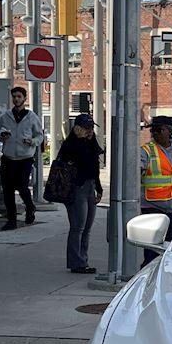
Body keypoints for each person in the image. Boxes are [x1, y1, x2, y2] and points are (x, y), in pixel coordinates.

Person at [140, 115, 172, 264]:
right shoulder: (147, 151)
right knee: (151, 250)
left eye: (158, 130)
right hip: (152, 207)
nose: (154, 133)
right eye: (152, 131)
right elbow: (135, 173)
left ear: (168, 131)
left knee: (169, 249)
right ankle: (148, 274)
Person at [58, 114, 104, 274]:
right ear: (77, 128)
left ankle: (83, 260)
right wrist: (79, 140)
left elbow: (95, 167)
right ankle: (76, 262)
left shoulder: (91, 142)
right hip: (76, 188)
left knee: (87, 228)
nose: (89, 131)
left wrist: (99, 188)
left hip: (90, 186)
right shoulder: (71, 145)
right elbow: (72, 162)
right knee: (77, 227)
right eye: (86, 128)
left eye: (91, 127)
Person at [0, 86, 46, 230]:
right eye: (14, 97)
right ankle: (11, 220)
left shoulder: (32, 117)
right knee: (7, 190)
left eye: (19, 96)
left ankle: (30, 207)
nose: (16, 99)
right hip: (8, 158)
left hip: (24, 159)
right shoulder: (5, 116)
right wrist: (2, 136)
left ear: (24, 98)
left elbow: (40, 135)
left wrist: (33, 141)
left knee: (22, 186)